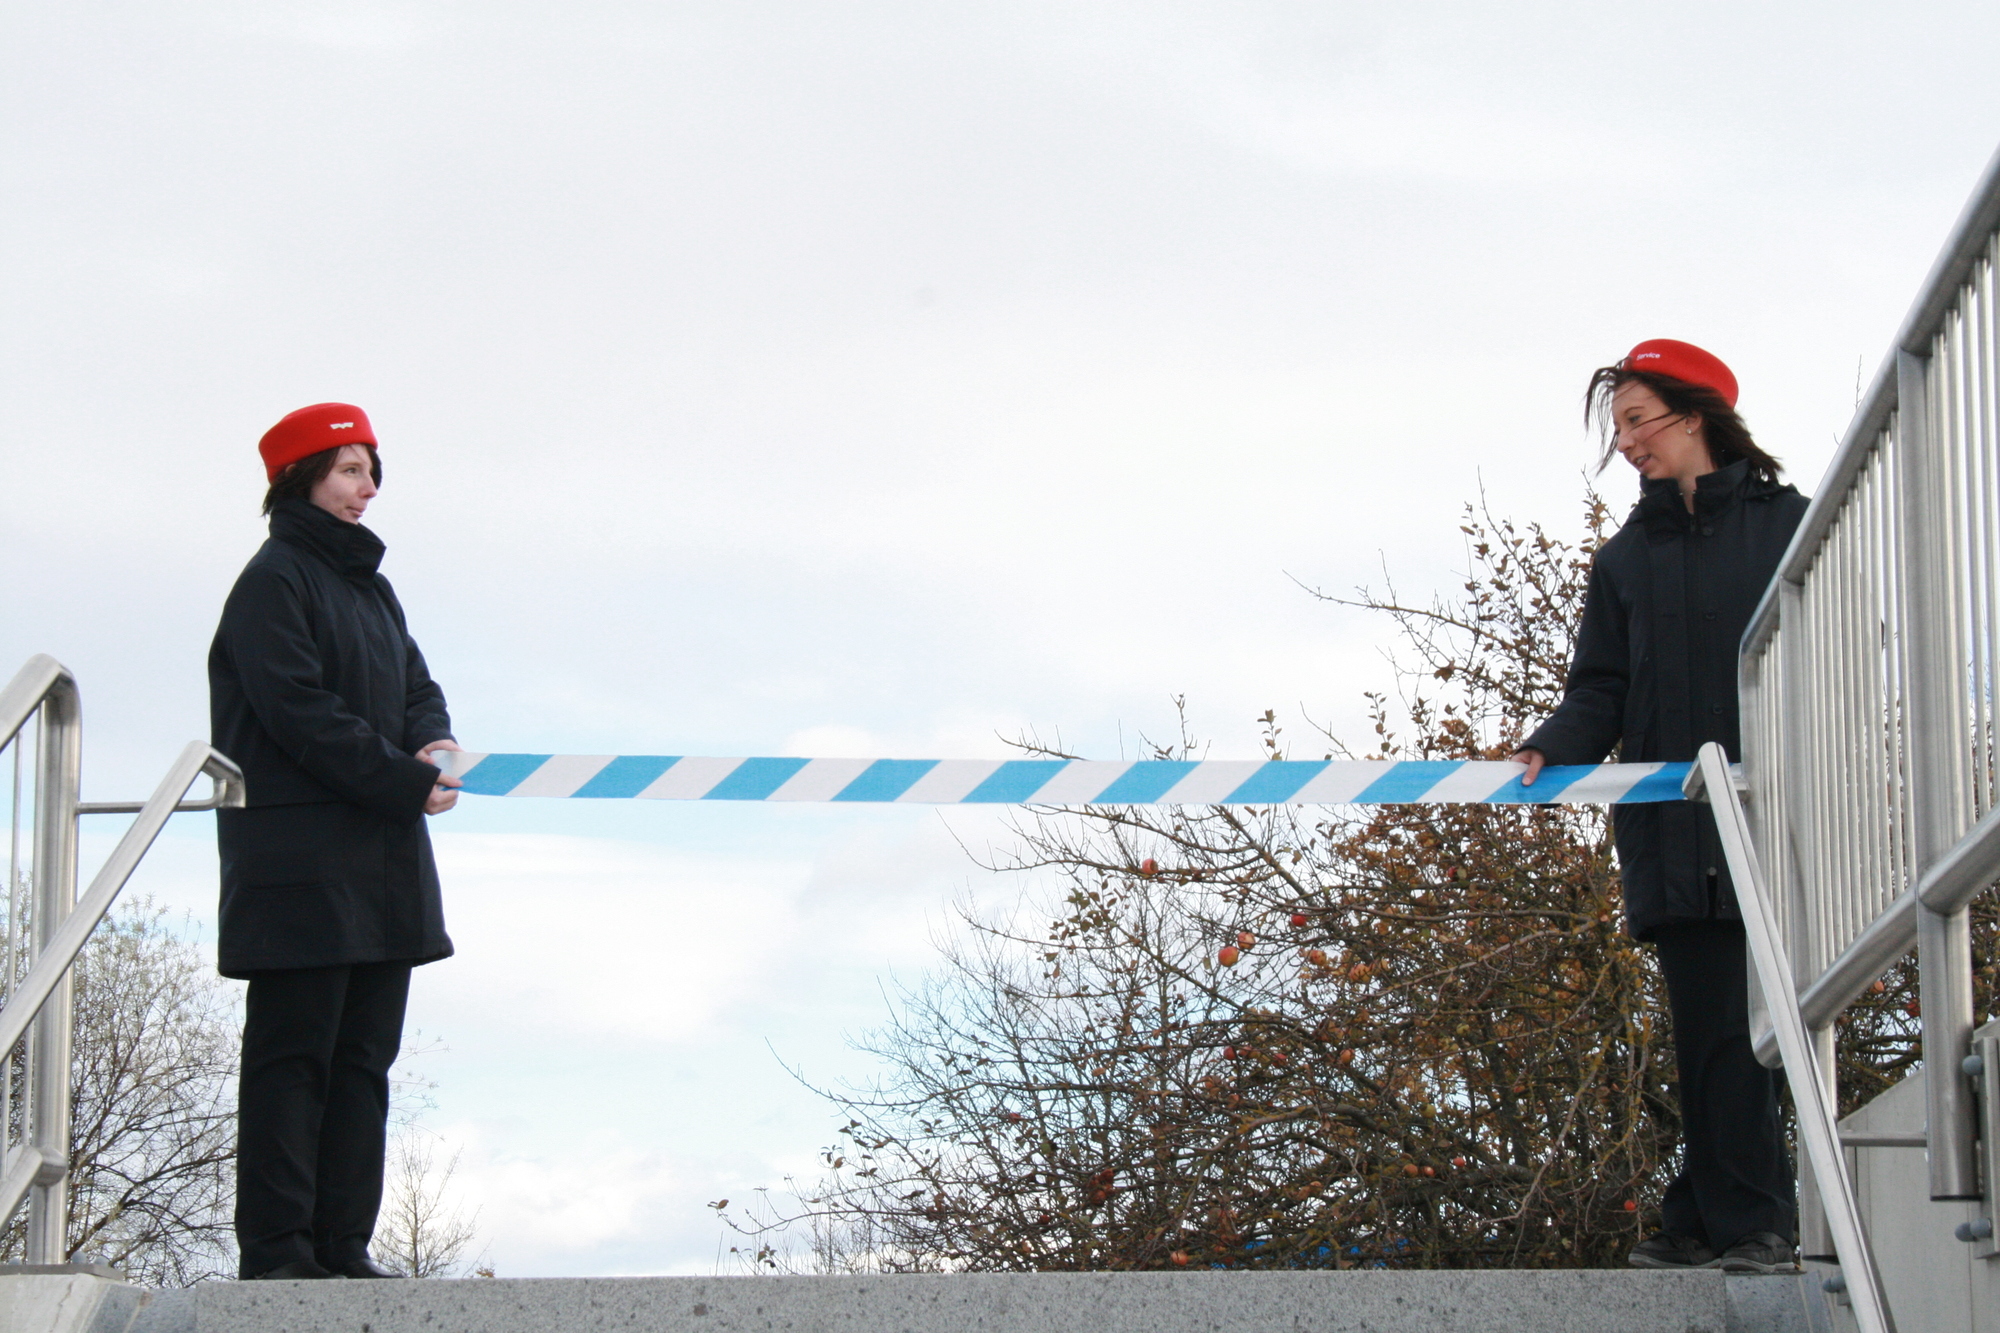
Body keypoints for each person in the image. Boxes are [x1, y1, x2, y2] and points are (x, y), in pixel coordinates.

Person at [1510, 340, 1807, 1275]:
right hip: (1676, 830)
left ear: (1697, 412)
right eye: (1620, 425)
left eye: (1639, 418)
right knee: (1710, 1023)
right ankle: (1728, 1220)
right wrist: (1549, 745)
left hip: (1786, 815)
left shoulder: (1797, 526)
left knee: (1760, 1027)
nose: (1627, 440)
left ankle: (1737, 1219)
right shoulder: (1625, 558)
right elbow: (1599, 686)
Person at [209, 403, 464, 1280]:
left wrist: (433, 744)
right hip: (299, 869)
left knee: (362, 1062)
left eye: (371, 470)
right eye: (349, 469)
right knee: (294, 1060)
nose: (367, 487)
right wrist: (404, 779)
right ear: (300, 477)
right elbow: (299, 713)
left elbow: (415, 687)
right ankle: (279, 1255)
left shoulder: (373, 589)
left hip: (380, 865)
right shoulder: (271, 581)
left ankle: (340, 1247)